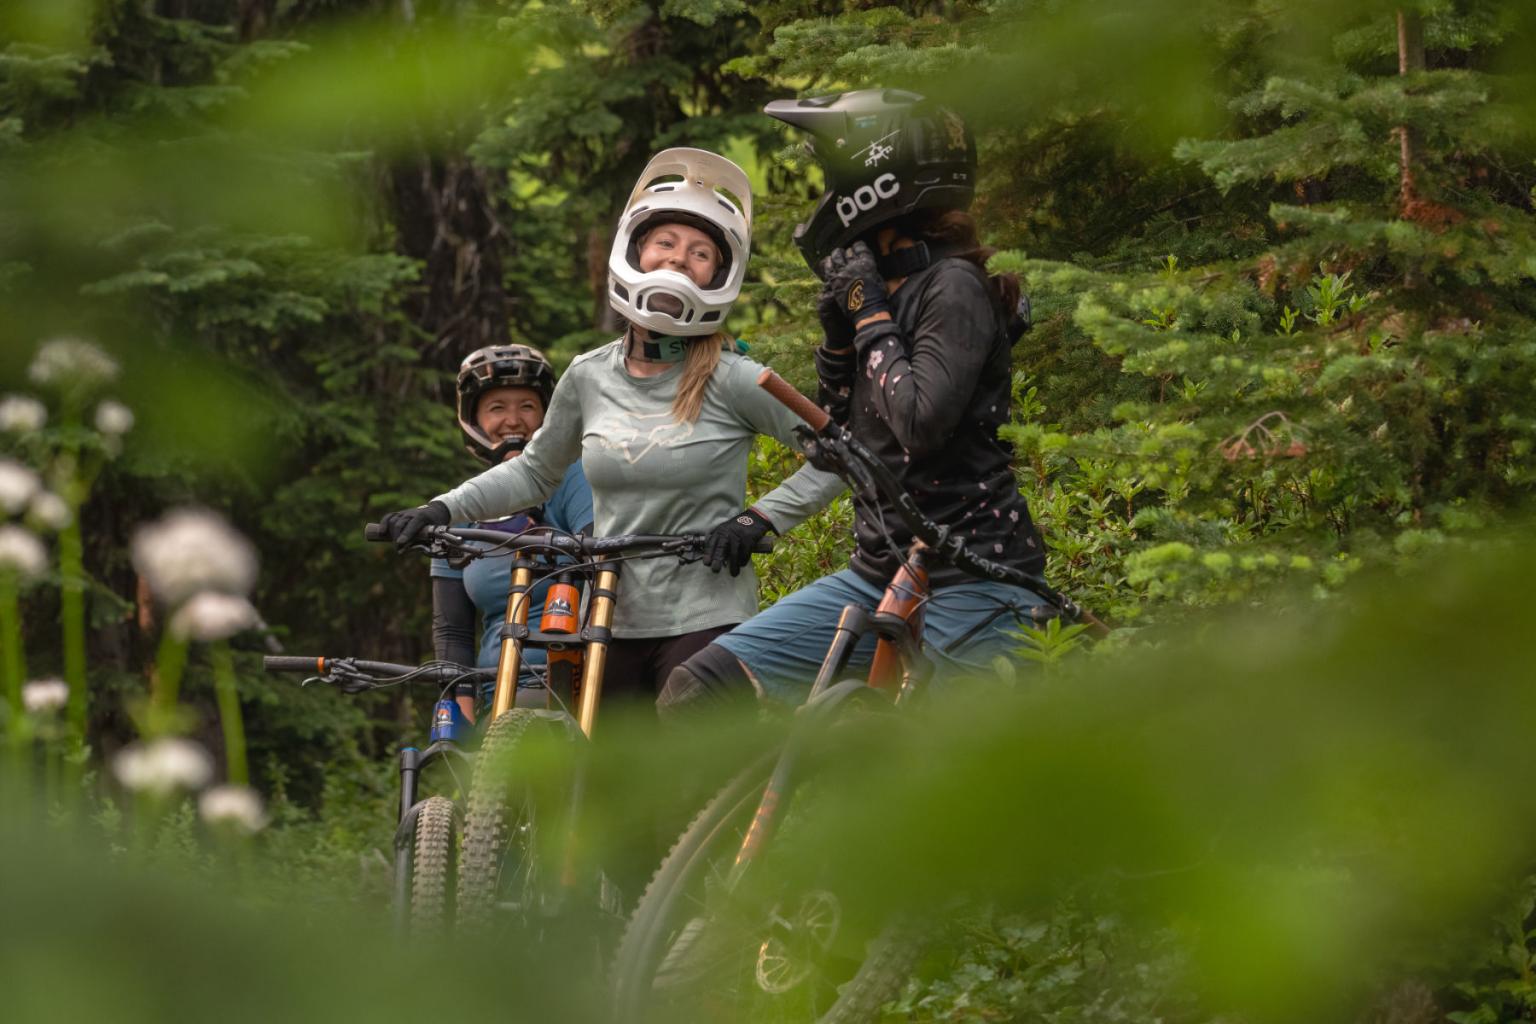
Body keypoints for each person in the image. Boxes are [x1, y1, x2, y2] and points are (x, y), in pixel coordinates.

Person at [382, 147, 844, 706]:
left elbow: (840, 457)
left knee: (691, 762)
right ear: (636, 251)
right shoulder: (588, 374)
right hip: (609, 618)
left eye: (701, 253)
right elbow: (533, 475)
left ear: (720, 274)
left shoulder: (737, 379)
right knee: (606, 781)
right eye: (666, 243)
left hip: (706, 618)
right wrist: (439, 510)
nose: (680, 259)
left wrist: (759, 519)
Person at [660, 88, 1055, 713]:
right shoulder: (890, 285)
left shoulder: (952, 287)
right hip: (880, 569)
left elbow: (918, 424)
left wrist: (869, 314)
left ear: (876, 178)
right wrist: (840, 340)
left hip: (975, 578)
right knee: (697, 689)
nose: (824, 196)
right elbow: (841, 443)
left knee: (951, 784)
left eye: (830, 176)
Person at [431, 344, 594, 718]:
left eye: (527, 406)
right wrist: (464, 721)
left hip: (571, 686)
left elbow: (603, 554)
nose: (513, 420)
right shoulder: (461, 511)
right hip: (494, 693)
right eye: (497, 407)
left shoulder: (574, 478)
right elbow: (453, 633)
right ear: (473, 419)